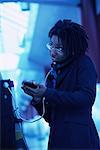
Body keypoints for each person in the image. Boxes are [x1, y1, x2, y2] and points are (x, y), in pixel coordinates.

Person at [22, 19, 100, 149]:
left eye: (59, 48)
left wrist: (47, 92)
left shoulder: (83, 64)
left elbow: (86, 98)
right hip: (57, 141)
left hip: (80, 141)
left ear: (72, 49)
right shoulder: (54, 72)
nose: (52, 52)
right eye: (51, 45)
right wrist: (38, 99)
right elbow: (50, 117)